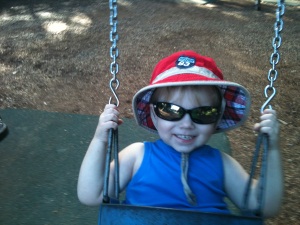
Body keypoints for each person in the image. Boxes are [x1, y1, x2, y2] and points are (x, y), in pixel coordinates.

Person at [77, 50, 283, 217]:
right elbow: (91, 194)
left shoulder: (223, 164)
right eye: (170, 110)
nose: (186, 124)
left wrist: (272, 149)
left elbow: (263, 206)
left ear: (218, 117)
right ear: (154, 115)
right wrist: (100, 139)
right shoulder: (137, 156)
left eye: (203, 113)